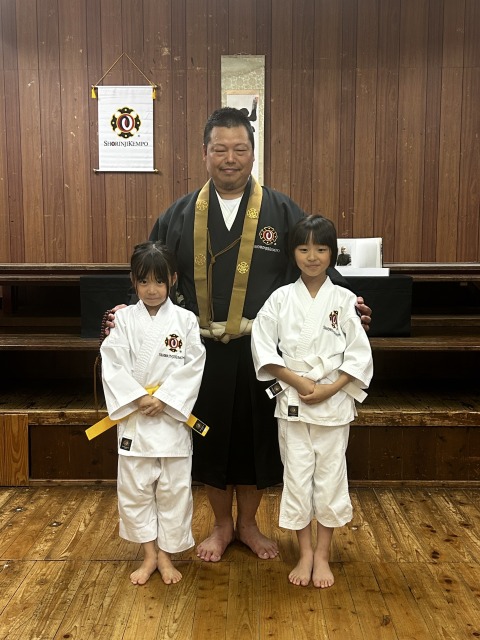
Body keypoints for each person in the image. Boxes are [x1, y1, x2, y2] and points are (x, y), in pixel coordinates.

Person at [108, 107, 371, 563]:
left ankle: (248, 523)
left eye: (240, 149)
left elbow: (315, 265)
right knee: (212, 440)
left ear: (253, 153)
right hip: (198, 350)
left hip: (261, 350)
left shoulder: (281, 210)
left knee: (253, 441)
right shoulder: (178, 214)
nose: (230, 158)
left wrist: (350, 302)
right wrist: (125, 309)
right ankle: (221, 525)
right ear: (204, 153)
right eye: (220, 149)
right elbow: (151, 272)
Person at [251, 215, 373, 587]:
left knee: (331, 477)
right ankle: (304, 552)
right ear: (293, 253)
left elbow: (359, 355)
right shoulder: (280, 298)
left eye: (321, 249)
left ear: (332, 253)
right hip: (293, 398)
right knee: (296, 476)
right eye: (303, 249)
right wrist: (298, 381)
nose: (312, 257)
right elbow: (262, 347)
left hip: (332, 401)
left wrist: (330, 389)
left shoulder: (345, 300)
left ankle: (323, 554)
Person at [100, 241, 206, 585]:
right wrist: (137, 398)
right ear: (133, 281)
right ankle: (148, 554)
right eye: (144, 281)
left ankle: (166, 556)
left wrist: (165, 398)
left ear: (172, 279)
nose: (151, 289)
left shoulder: (186, 320)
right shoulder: (123, 320)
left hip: (171, 417)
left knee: (174, 491)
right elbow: (112, 363)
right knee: (135, 491)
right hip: (136, 418)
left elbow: (194, 365)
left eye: (159, 281)